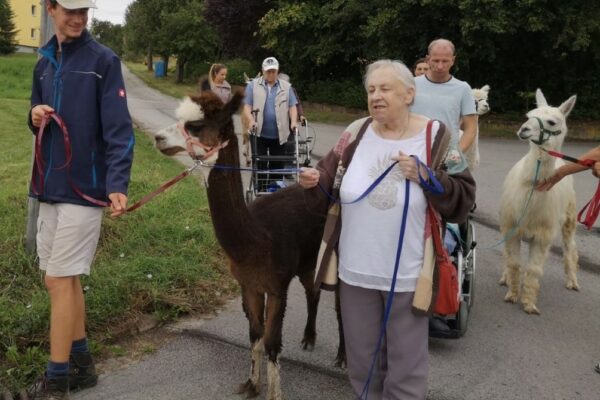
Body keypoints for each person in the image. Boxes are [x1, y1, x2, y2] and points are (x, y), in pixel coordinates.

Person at [299, 60, 475, 399]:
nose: (376, 96)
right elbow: (327, 179)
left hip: (409, 276)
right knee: (363, 365)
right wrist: (314, 181)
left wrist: (428, 177)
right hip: (356, 273)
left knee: (406, 371)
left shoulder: (436, 137)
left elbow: (464, 198)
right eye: (371, 90)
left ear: (409, 94)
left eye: (385, 89)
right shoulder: (355, 132)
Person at [25, 1, 135, 398]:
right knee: (61, 278)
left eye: (84, 11)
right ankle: (83, 364)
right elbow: (33, 114)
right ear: (51, 8)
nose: (78, 18)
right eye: (70, 10)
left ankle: (56, 381)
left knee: (57, 279)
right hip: (49, 186)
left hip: (85, 189)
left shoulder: (103, 61)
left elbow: (120, 129)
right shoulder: (43, 62)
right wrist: (34, 113)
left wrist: (117, 183)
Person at [411, 38, 478, 169]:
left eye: (445, 61)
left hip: (446, 158)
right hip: (414, 154)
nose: (440, 66)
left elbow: (471, 128)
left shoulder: (463, 88)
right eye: (436, 60)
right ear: (427, 59)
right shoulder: (411, 85)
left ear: (453, 60)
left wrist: (457, 152)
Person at [243, 57, 298, 190]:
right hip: (258, 133)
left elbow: (292, 106)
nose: (271, 74)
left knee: (277, 165)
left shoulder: (286, 87)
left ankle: (274, 193)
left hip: (279, 135)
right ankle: (261, 190)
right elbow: (247, 106)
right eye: (268, 72)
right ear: (263, 71)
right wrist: (251, 120)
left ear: (277, 71)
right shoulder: (253, 85)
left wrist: (294, 122)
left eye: (273, 71)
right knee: (260, 164)